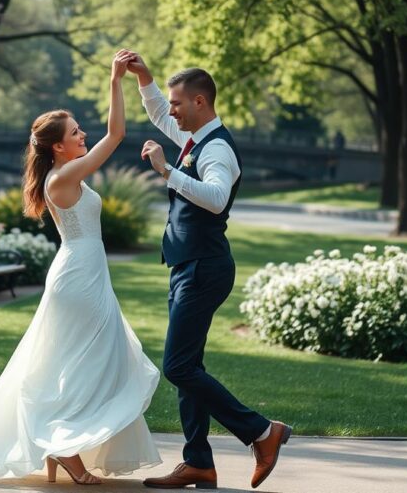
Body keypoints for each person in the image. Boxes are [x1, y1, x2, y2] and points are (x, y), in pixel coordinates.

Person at [0, 50, 161, 485]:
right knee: (82, 363)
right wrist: (116, 80)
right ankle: (65, 449)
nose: (83, 135)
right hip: (78, 277)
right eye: (76, 133)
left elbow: (108, 137)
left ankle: (63, 448)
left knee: (89, 360)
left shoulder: (65, 173)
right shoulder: (63, 178)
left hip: (86, 273)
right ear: (58, 145)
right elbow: (116, 134)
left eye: (81, 131)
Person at [127, 52, 292, 490]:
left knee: (178, 367)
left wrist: (166, 171)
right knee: (188, 365)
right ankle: (198, 461)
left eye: (180, 103)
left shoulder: (215, 148)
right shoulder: (195, 137)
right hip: (189, 266)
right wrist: (145, 79)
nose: (172, 111)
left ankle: (261, 432)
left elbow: (217, 198)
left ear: (200, 102)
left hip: (204, 268)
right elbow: (160, 112)